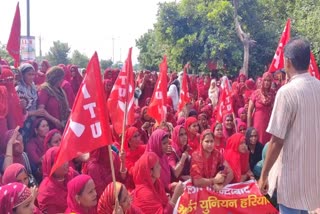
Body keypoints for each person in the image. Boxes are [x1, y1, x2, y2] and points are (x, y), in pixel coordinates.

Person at [258, 38, 320, 213]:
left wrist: (263, 175)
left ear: (288, 62)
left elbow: (277, 140)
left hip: (293, 178)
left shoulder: (286, 93)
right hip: (314, 175)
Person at [37, 146, 78, 213]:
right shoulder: (46, 191)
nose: (66, 163)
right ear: (51, 166)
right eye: (60, 161)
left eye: (65, 159)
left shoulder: (72, 174)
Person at [247, 72, 275, 145]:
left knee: (267, 143)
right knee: (257, 141)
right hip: (257, 122)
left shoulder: (273, 93)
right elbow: (249, 111)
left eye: (268, 81)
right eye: (265, 80)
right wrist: (249, 127)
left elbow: (275, 109)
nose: (266, 82)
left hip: (268, 122)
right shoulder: (256, 93)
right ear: (262, 81)